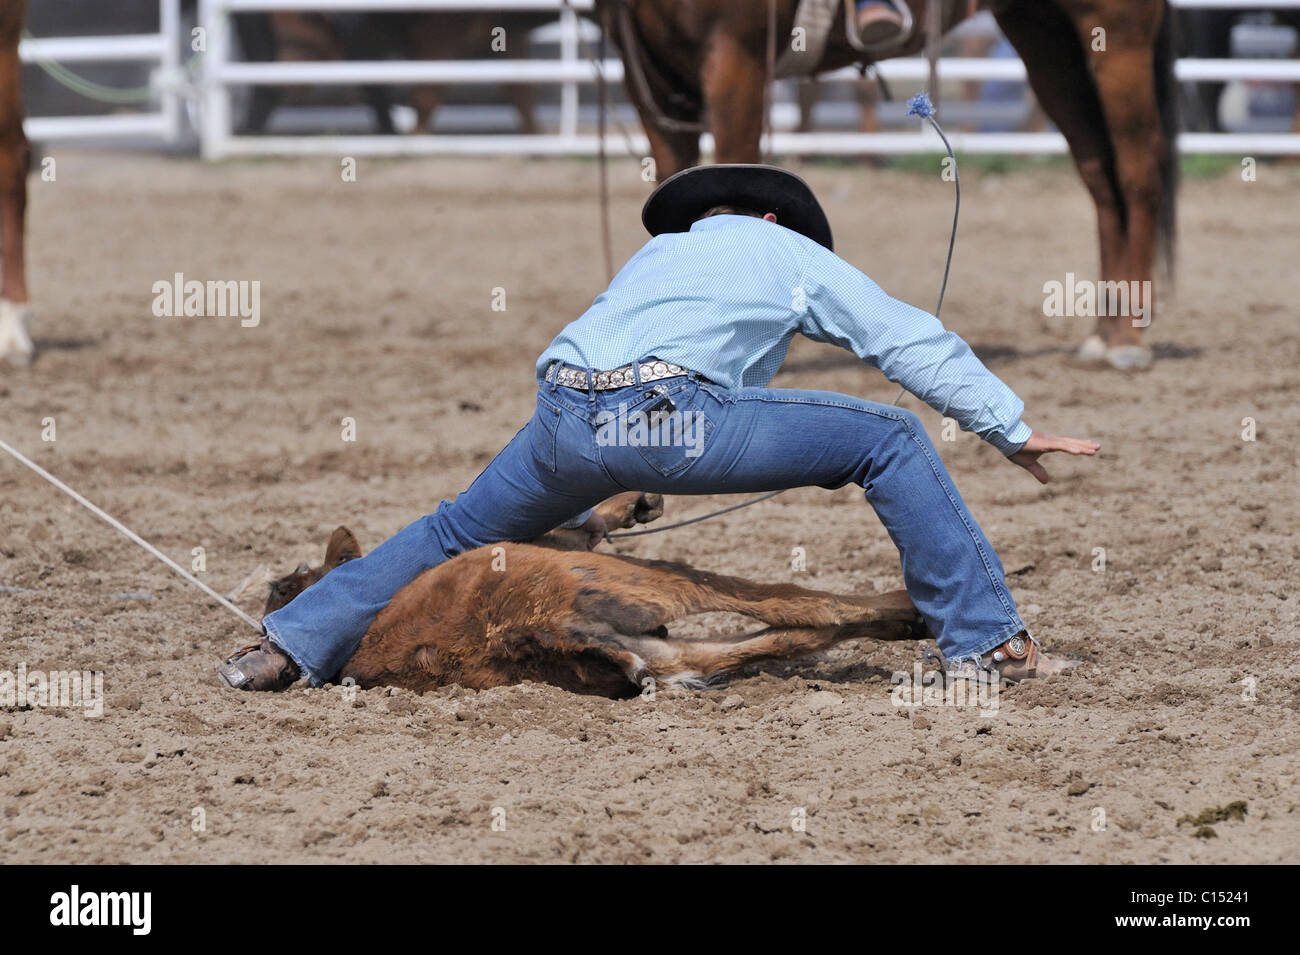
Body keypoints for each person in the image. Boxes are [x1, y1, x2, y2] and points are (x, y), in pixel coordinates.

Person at [220, 163, 1098, 693]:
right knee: (895, 439)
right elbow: (900, 336)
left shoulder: (657, 254)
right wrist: (1008, 427)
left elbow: (641, 390)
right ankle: (990, 644)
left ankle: (288, 646)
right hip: (666, 412)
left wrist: (623, 487)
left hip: (561, 414)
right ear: (774, 221)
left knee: (455, 529)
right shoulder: (792, 253)